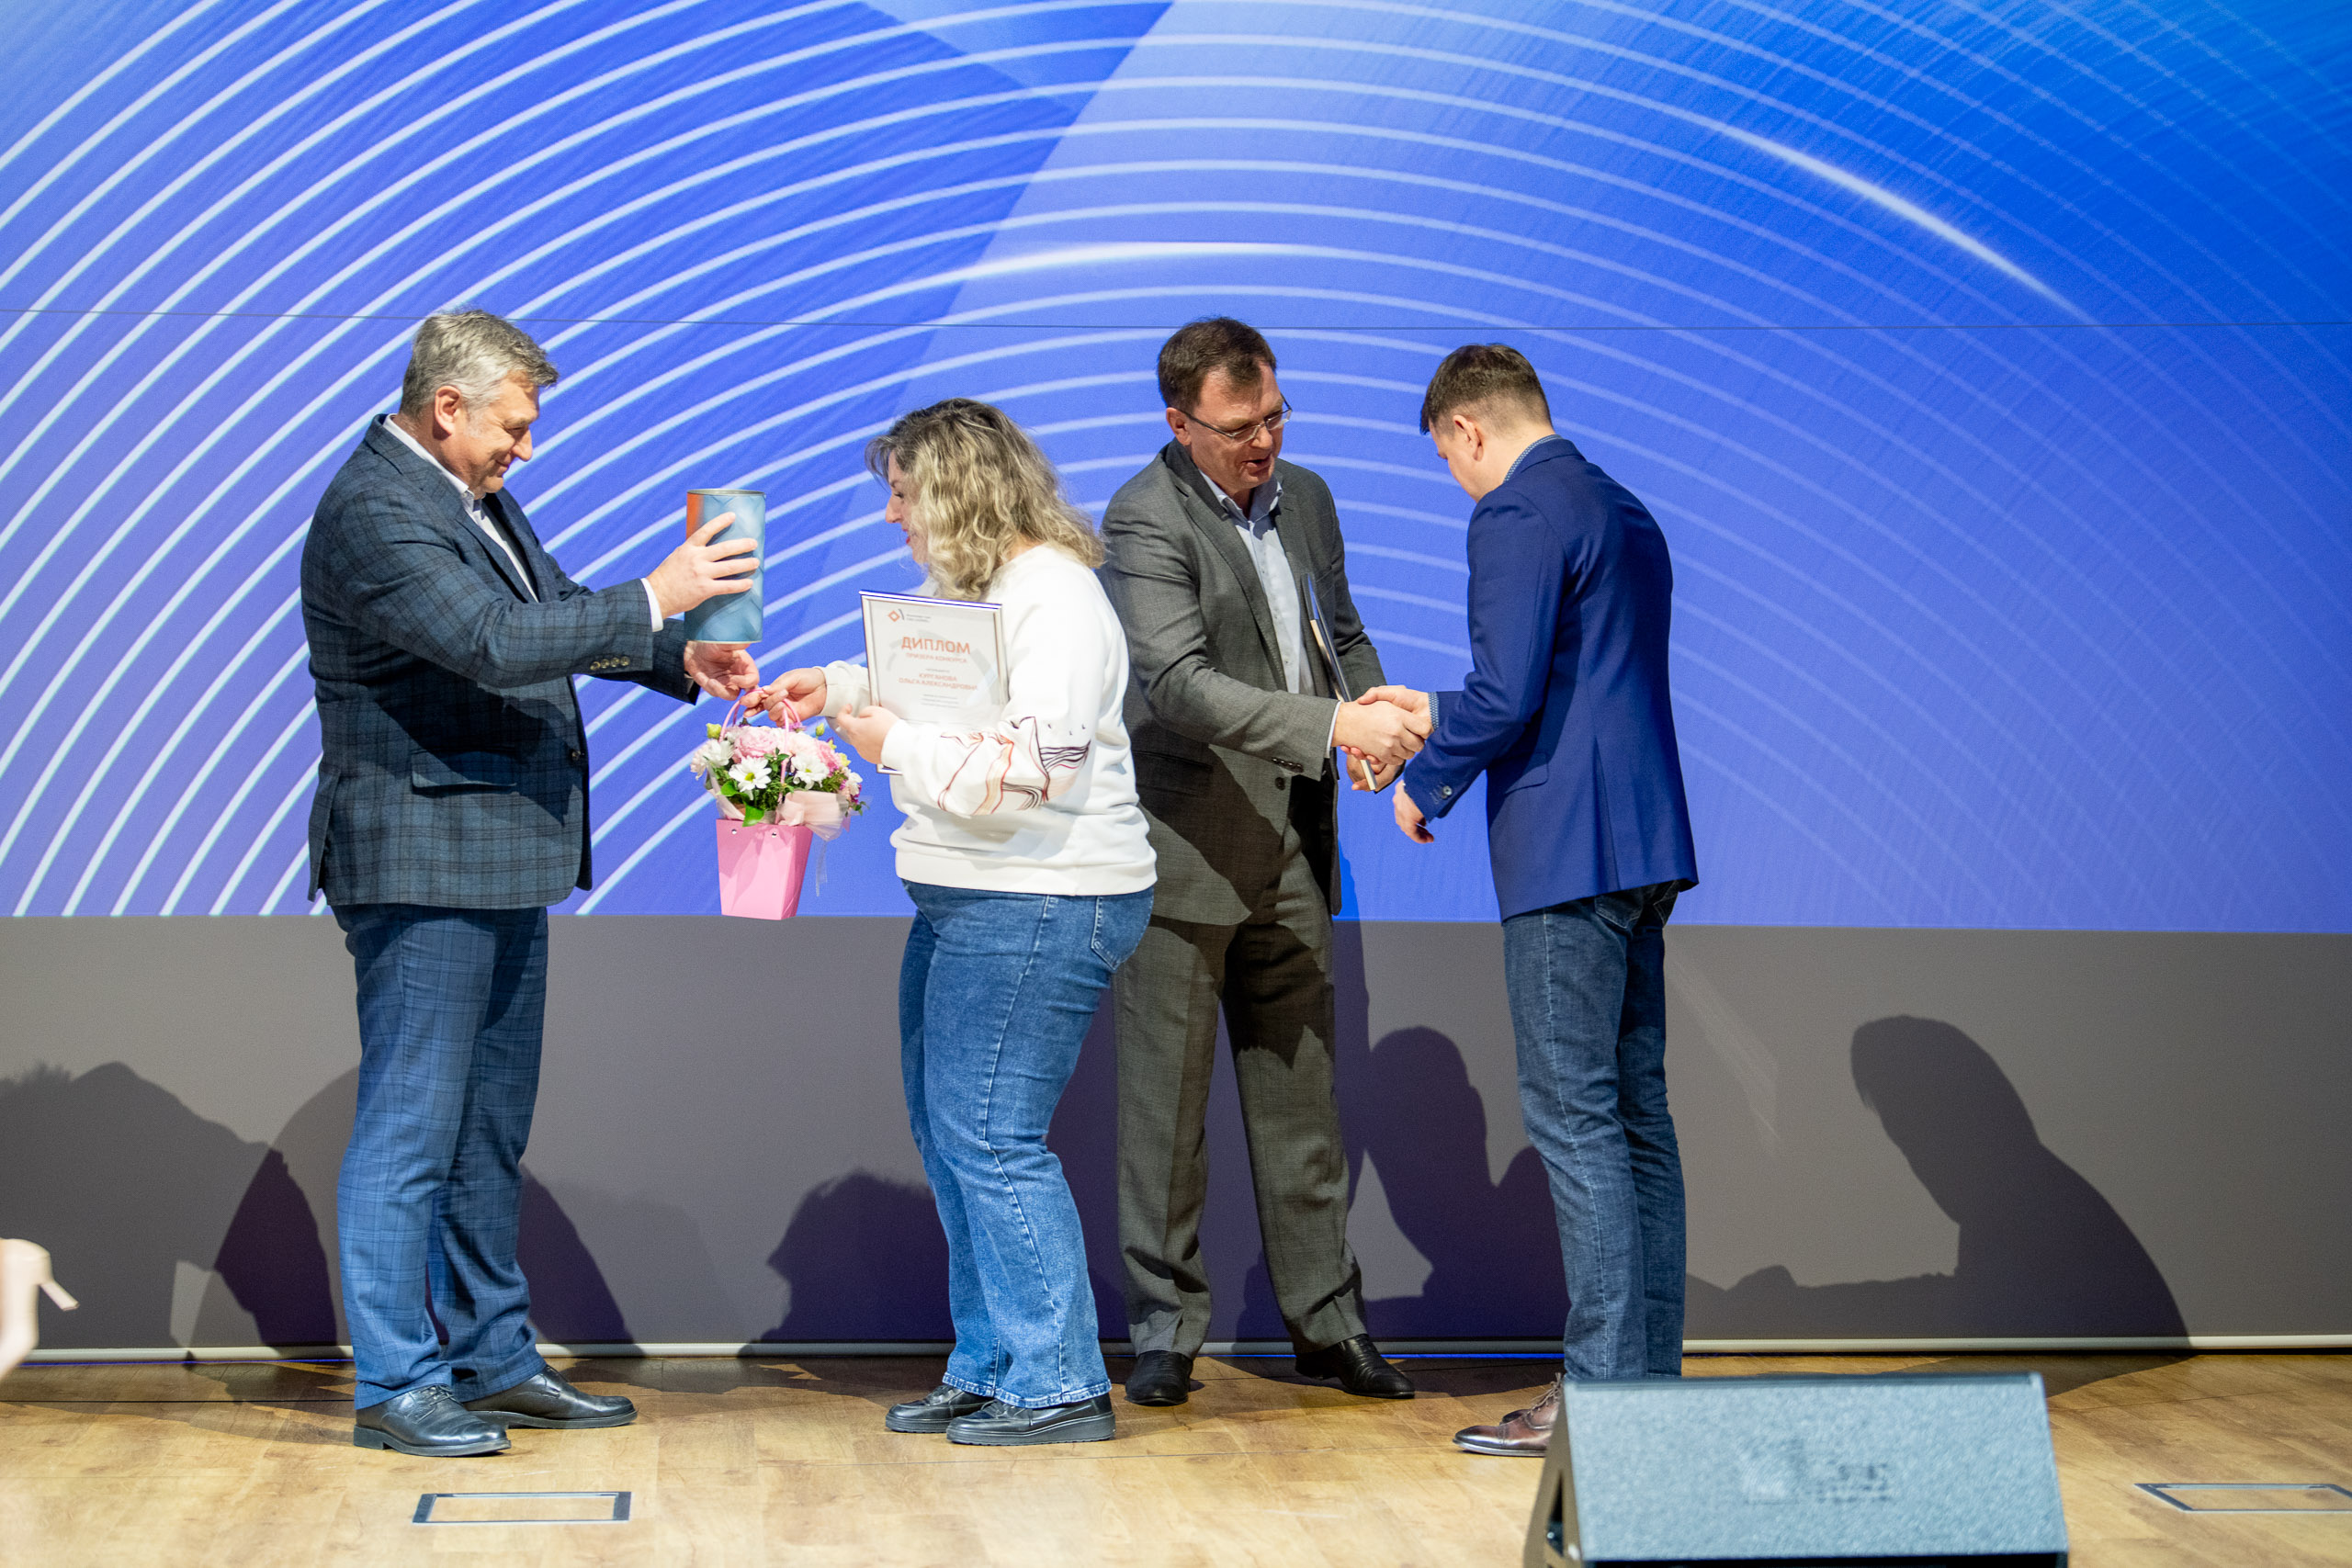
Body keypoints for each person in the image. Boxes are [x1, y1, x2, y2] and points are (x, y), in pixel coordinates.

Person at [302, 310, 762, 1457]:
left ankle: (493, 1361)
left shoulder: (471, 494)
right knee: (412, 1132)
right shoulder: (375, 509)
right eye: (512, 426)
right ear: (445, 406)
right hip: (424, 858)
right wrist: (659, 593)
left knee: (486, 1134)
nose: (525, 447)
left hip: (501, 852)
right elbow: (496, 643)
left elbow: (548, 612)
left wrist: (677, 657)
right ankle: (397, 1383)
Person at [757, 400, 1153, 1446]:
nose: (892, 515)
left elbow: (1035, 765)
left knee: (992, 1139)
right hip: (966, 895)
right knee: (953, 1140)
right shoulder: (973, 590)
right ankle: (992, 1365)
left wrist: (890, 745)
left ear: (957, 489)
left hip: (1041, 897)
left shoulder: (1055, 597)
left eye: (903, 493)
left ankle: (1058, 1383)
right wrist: (837, 685)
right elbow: (933, 690)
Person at [1097, 318, 1427, 1408]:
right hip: (1186, 847)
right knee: (1165, 1114)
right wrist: (1331, 728)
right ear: (1179, 422)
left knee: (1302, 1103)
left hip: (1297, 840)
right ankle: (1165, 1333)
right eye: (1239, 427)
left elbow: (1342, 634)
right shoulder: (1143, 517)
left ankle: (1328, 1326)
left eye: (1275, 418)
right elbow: (1178, 685)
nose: (1264, 444)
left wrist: (1373, 716)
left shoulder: (1309, 499)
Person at [1378, 344, 1698, 1456]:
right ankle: (1643, 1390)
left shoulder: (1513, 511)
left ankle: (1598, 1401)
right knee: (1635, 1119)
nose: (1457, 481)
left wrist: (1426, 776)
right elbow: (1573, 678)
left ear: (1466, 429)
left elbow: (1510, 693)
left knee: (1574, 1119)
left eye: (1446, 460)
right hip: (1643, 844)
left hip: (1566, 852)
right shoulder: (1622, 506)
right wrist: (1433, 709)